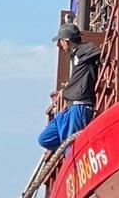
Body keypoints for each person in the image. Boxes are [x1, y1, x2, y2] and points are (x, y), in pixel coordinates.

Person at [38, 20, 101, 151]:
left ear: (67, 41)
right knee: (45, 139)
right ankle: (67, 154)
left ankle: (73, 158)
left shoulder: (84, 51)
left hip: (80, 106)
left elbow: (96, 51)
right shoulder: (76, 56)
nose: (59, 45)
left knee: (72, 148)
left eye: (60, 41)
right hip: (70, 107)